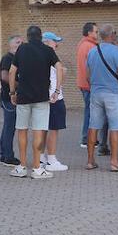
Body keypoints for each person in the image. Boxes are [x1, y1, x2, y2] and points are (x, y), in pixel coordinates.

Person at [6, 26, 57, 179]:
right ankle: (37, 168)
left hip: (23, 97)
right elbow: (59, 68)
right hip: (41, 98)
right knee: (38, 131)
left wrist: (12, 92)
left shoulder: (22, 50)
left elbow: (11, 71)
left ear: (28, 37)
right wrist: (57, 90)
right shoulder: (48, 50)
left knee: (22, 130)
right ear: (40, 36)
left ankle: (21, 167)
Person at [86, 24, 118, 171]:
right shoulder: (116, 51)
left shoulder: (92, 51)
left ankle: (90, 161)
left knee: (93, 126)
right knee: (115, 127)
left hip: (96, 92)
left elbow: (87, 75)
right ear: (112, 34)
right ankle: (114, 162)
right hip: (113, 93)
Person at [40, 32, 69, 172]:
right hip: (54, 97)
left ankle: (40, 157)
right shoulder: (51, 56)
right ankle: (51, 159)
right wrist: (63, 72)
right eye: (54, 42)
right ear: (47, 42)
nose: (56, 45)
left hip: (43, 96)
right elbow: (59, 76)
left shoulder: (38, 56)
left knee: (42, 128)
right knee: (54, 129)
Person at [76, 22, 101, 150]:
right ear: (89, 33)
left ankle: (88, 137)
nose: (97, 34)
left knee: (89, 111)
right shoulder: (90, 47)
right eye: (96, 32)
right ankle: (87, 138)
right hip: (89, 84)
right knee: (91, 112)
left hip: (83, 83)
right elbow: (93, 67)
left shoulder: (82, 44)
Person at [0, 35, 21, 166]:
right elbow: (5, 76)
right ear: (10, 45)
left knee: (8, 127)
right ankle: (8, 156)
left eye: (21, 42)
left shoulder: (17, 58)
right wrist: (21, 84)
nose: (20, 44)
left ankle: (4, 154)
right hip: (8, 99)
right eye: (17, 42)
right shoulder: (8, 58)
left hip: (13, 98)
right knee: (9, 127)